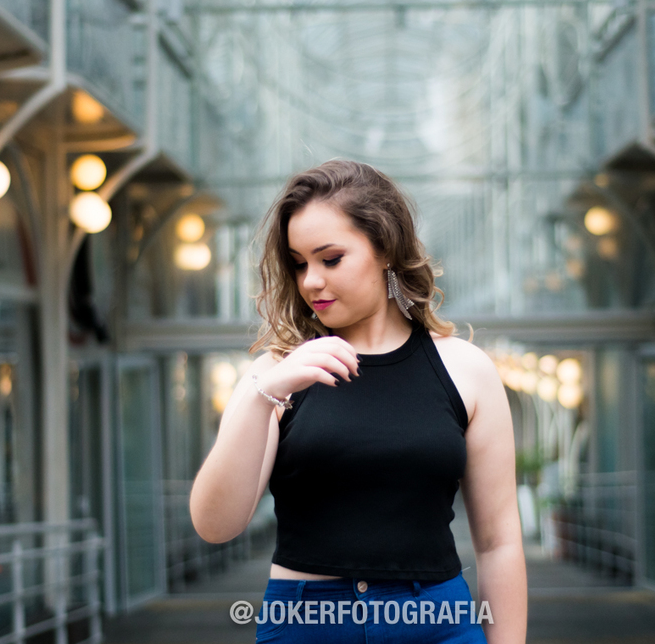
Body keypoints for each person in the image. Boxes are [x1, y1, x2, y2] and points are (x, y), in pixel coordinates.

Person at [190, 160, 527, 644]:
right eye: (299, 262)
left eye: (330, 259)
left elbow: (499, 543)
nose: (310, 281)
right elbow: (215, 525)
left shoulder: (466, 369)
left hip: (436, 625)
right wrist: (263, 395)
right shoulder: (275, 374)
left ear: (385, 249)